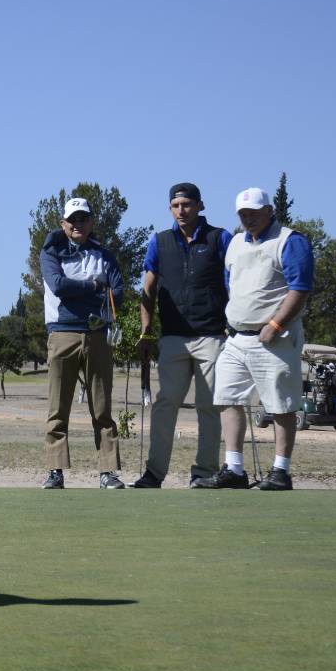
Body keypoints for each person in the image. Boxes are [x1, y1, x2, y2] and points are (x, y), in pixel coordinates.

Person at [192, 187, 314, 491]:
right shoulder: (235, 243)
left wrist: (275, 323)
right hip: (237, 337)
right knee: (228, 398)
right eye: (243, 214)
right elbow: (231, 283)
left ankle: (280, 471)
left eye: (254, 213)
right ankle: (234, 468)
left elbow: (300, 289)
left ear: (269, 210)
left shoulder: (290, 240)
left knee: (281, 404)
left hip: (275, 335)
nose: (248, 219)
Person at [132, 183, 232, 488]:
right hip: (173, 337)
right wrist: (146, 331)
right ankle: (154, 472)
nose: (181, 211)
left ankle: (204, 473)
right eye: (176, 205)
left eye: (187, 205)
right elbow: (148, 290)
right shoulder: (160, 242)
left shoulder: (219, 238)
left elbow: (235, 281)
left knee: (209, 406)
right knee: (165, 404)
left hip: (211, 336)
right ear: (169, 208)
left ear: (200, 205)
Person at [39, 197, 126, 489]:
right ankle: (55, 471)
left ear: (91, 222)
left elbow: (119, 291)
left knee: (102, 408)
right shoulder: (51, 252)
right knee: (57, 408)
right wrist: (93, 286)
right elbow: (59, 286)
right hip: (62, 333)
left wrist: (96, 293)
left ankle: (108, 472)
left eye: (83, 218)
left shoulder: (103, 254)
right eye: (72, 219)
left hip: (98, 334)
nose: (78, 224)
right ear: (63, 224)